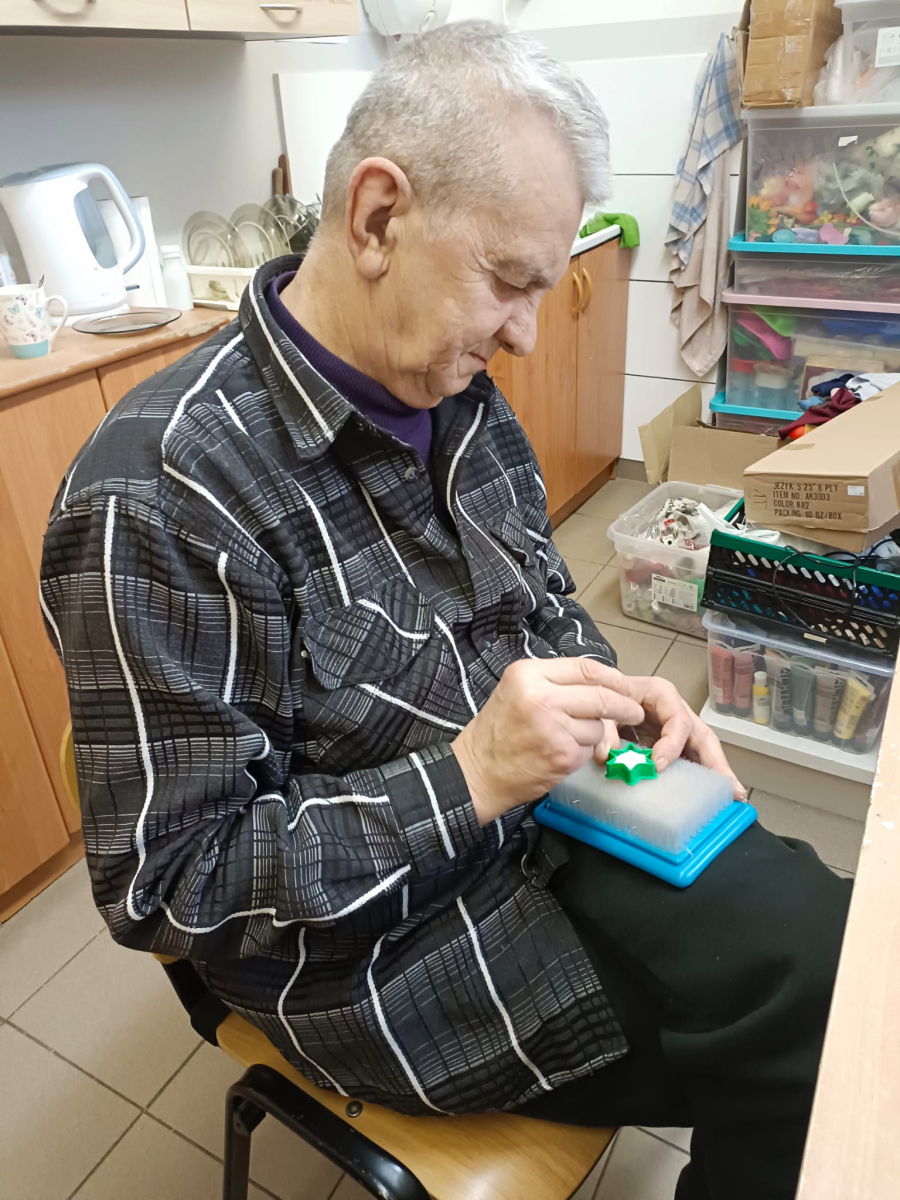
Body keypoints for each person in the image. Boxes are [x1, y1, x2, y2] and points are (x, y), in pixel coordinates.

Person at [40, 21, 849, 1200]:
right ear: (377, 218)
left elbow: (540, 597)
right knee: (821, 1039)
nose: (525, 332)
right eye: (509, 281)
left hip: (545, 811)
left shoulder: (455, 393)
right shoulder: (159, 499)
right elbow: (172, 884)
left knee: (837, 957)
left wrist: (617, 688)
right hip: (386, 948)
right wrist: (469, 775)